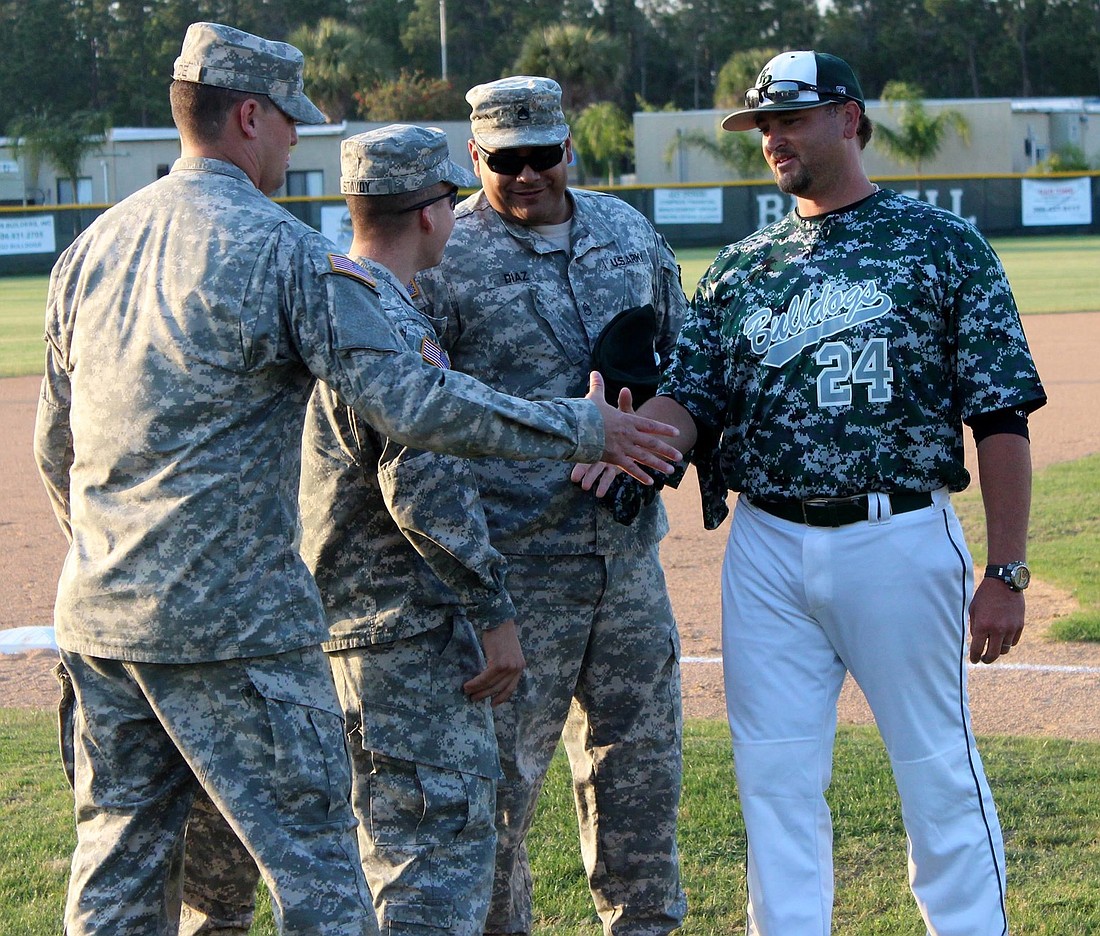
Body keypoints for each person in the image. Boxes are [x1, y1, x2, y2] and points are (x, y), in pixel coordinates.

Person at [32, 23, 681, 935]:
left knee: (118, 870)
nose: (294, 143)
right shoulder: (288, 254)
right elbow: (415, 409)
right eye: (289, 124)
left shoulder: (92, 248)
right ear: (248, 116)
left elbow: (55, 451)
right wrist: (585, 424)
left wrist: (110, 557)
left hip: (98, 616)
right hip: (236, 628)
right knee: (324, 877)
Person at [576, 50, 1047, 936]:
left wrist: (1007, 570)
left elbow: (1001, 417)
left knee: (936, 767)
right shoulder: (742, 267)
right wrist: (638, 438)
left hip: (898, 536)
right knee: (774, 777)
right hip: (766, 548)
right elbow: (695, 399)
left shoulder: (941, 243)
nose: (774, 139)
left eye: (792, 119)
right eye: (763, 125)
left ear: (850, 119)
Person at [178, 125, 528, 935]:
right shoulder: (389, 322)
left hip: (320, 632)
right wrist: (494, 612)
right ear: (434, 214)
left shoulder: (315, 302)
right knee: (428, 867)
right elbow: (425, 487)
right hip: (404, 640)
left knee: (360, 859)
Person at [413, 76, 688, 935]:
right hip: (516, 567)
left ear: (567, 146)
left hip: (627, 559)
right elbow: (422, 418)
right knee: (499, 796)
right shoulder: (445, 255)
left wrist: (654, 434)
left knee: (641, 771)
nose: (528, 175)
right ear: (474, 157)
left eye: (543, 155)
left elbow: (683, 356)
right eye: (505, 161)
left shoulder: (626, 231)